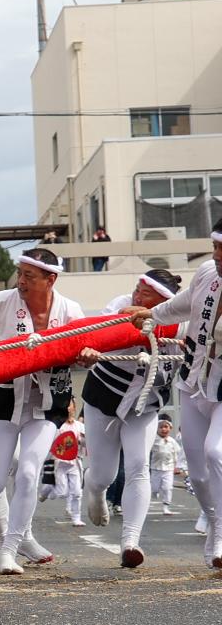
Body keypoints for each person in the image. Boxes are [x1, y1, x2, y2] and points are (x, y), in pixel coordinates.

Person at [0, 246, 87, 574]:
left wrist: (85, 355)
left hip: (49, 404)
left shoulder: (71, 310)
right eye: (20, 274)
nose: (21, 281)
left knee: (30, 471)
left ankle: (9, 549)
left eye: (29, 276)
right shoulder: (2, 302)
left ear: (51, 279)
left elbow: (84, 344)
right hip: (4, 399)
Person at [122, 218, 222, 568]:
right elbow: (184, 303)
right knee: (196, 472)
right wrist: (151, 314)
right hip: (194, 381)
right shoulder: (208, 272)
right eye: (215, 247)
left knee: (216, 452)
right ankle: (213, 522)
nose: (217, 255)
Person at [77, 267, 182, 567]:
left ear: (162, 301)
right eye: (137, 288)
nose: (136, 295)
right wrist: (91, 350)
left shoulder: (178, 318)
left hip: (145, 404)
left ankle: (130, 542)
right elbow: (99, 332)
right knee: (103, 474)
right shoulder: (119, 303)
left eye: (145, 293)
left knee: (138, 466)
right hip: (104, 399)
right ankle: (93, 488)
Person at [50, 406, 87, 527]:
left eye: (71, 406)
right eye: (67, 406)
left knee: (77, 492)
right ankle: (51, 487)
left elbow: (86, 442)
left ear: (74, 409)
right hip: (60, 462)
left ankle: (76, 518)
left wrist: (82, 440)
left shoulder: (80, 426)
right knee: (62, 492)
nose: (69, 409)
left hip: (75, 462)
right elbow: (53, 444)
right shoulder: (58, 426)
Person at [152, 415, 187, 514]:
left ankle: (166, 506)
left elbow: (178, 454)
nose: (163, 429)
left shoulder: (172, 442)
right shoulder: (153, 440)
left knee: (168, 488)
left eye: (166, 427)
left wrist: (178, 467)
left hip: (168, 469)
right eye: (161, 427)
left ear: (170, 428)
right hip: (155, 468)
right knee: (154, 487)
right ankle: (155, 492)